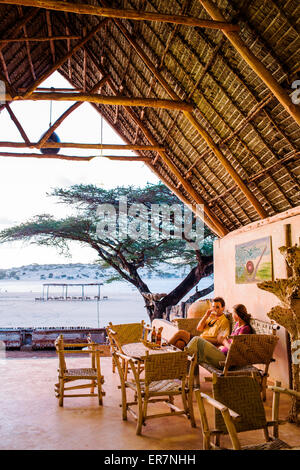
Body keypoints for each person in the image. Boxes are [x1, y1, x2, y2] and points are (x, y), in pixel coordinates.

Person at [186, 303, 252, 369]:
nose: (232, 316)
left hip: (226, 361)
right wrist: (222, 346)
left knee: (196, 340)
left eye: (233, 314)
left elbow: (236, 351)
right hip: (221, 353)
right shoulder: (237, 325)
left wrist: (223, 341)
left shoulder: (245, 329)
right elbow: (231, 343)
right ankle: (184, 357)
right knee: (195, 347)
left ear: (237, 315)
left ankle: (182, 357)